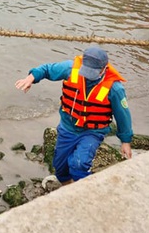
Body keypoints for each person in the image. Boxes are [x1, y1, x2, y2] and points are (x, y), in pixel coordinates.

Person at [15, 47, 133, 184]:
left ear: (103, 69)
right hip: (68, 127)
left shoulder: (114, 88)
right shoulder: (70, 69)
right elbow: (47, 69)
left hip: (92, 132)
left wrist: (126, 141)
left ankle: (83, 188)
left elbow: (123, 115)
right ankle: (66, 185)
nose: (87, 75)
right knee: (59, 166)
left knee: (79, 163)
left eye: (92, 73)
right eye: (86, 71)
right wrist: (31, 78)